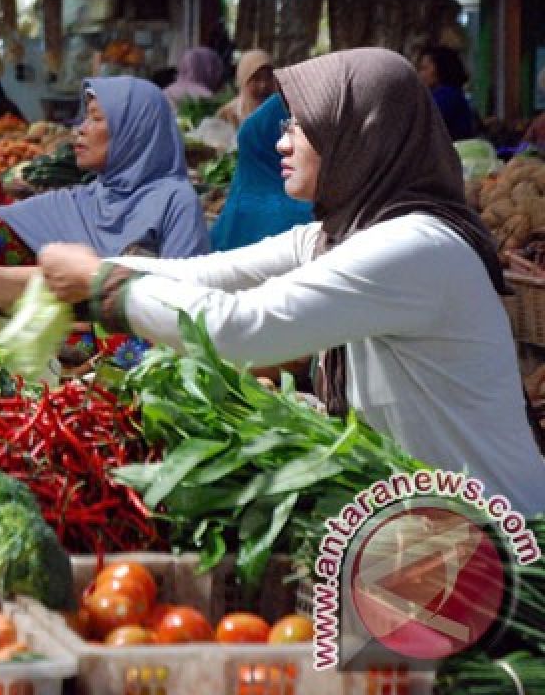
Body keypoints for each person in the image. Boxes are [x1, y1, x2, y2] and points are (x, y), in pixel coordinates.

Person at [29, 47, 544, 513]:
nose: (281, 140)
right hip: (431, 528)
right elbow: (209, 275)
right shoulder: (339, 234)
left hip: (495, 536)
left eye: (302, 124)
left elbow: (244, 327)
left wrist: (100, 283)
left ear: (358, 133)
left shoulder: (413, 247)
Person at [0, 76, 209, 309]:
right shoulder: (84, 198)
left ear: (133, 132)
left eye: (95, 118)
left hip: (126, 350)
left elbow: (185, 303)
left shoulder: (176, 200)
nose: (79, 129)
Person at [209, 93, 314, 251]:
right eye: (285, 128)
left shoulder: (235, 208)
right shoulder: (314, 220)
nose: (282, 144)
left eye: (296, 128)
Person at [416, 45, 477, 141]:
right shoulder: (450, 95)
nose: (420, 74)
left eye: (424, 68)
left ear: (438, 70)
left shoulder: (447, 96)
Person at [214, 49, 277, 128]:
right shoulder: (227, 115)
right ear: (243, 80)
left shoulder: (284, 113)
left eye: (269, 78)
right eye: (256, 79)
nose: (263, 85)